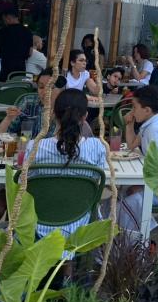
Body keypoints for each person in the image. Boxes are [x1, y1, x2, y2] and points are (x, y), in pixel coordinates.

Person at [24, 89, 107, 256]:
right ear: (85, 117)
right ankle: (70, 272)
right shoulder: (97, 147)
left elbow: (26, 184)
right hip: (80, 222)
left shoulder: (34, 147)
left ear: (54, 115)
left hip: (37, 224)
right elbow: (95, 183)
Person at [120, 85, 158, 233]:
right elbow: (132, 144)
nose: (132, 111)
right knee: (120, 192)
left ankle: (140, 238)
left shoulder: (155, 130)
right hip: (157, 181)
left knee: (127, 201)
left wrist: (141, 186)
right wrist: (129, 124)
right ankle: (125, 235)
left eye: (134, 107)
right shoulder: (150, 123)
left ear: (146, 110)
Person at [0, 8, 33, 80]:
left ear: (7, 18)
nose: (4, 22)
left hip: (6, 65)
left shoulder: (3, 31)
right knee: (17, 86)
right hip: (21, 66)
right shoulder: (27, 31)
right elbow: (30, 52)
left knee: (4, 87)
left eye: (4, 19)